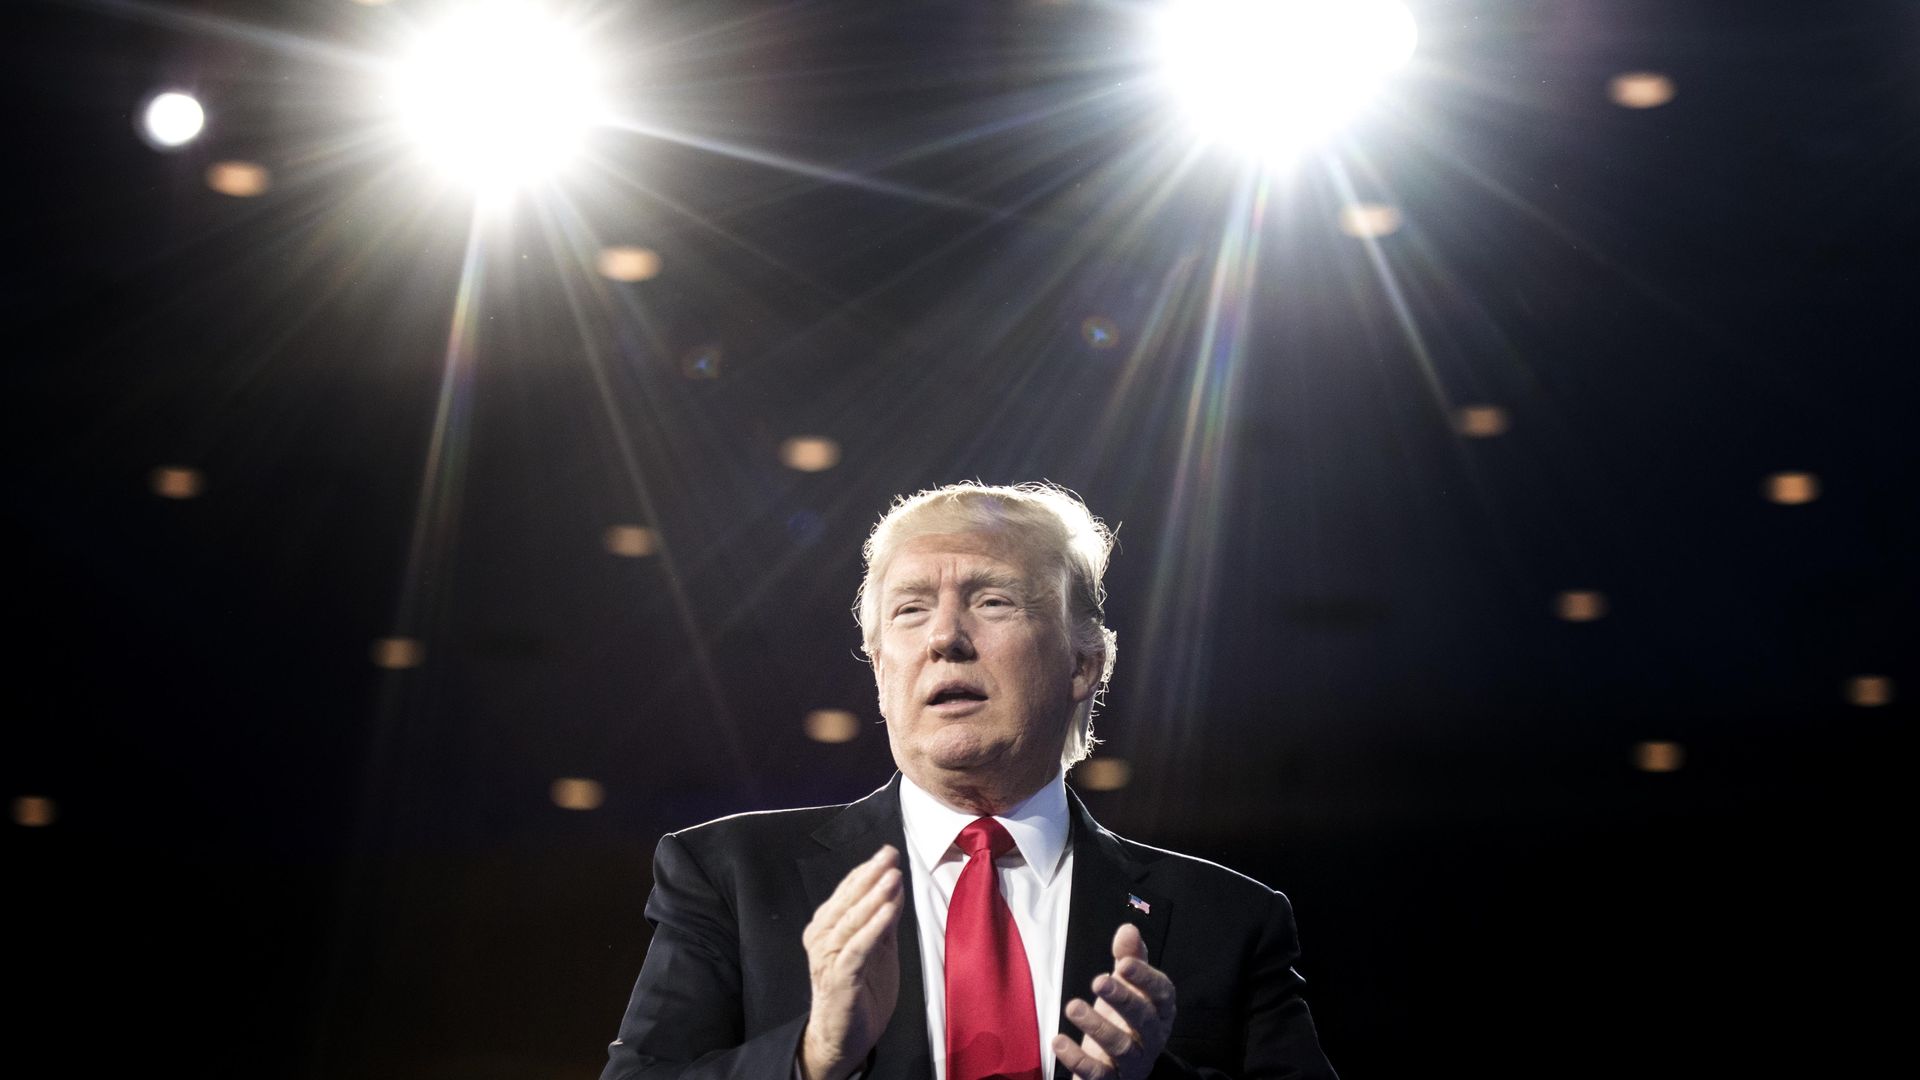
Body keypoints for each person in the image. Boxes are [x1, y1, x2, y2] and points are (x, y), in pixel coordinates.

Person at [602, 482, 1336, 1080]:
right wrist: (812, 1057)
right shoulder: (729, 877)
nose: (945, 639)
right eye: (910, 610)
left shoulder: (1232, 920)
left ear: (1084, 664)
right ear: (883, 672)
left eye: (992, 601)